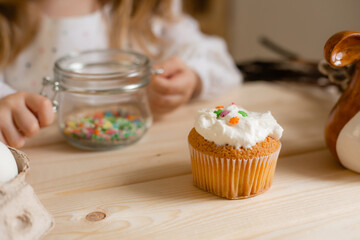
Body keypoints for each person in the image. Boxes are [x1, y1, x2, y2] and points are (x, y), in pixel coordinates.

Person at [0, 0, 241, 148]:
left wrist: (192, 76)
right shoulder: (8, 18)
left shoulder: (151, 10)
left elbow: (221, 64)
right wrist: (4, 102)